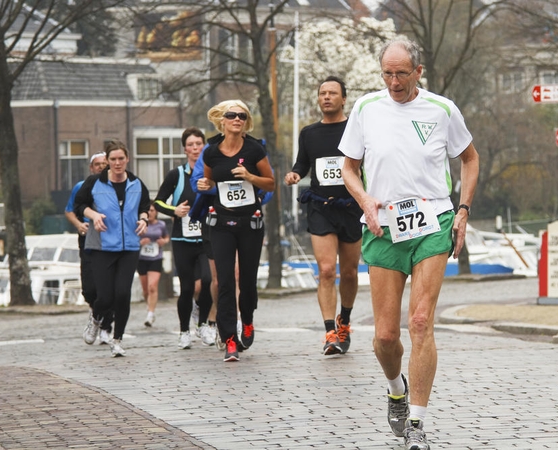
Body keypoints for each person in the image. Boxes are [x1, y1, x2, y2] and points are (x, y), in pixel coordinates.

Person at [339, 37, 479, 450]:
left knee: (419, 322)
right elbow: (349, 166)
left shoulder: (441, 109)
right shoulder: (366, 108)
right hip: (384, 226)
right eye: (387, 73)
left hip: (433, 220)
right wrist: (364, 199)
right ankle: (395, 389)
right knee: (385, 336)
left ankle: (416, 422)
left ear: (418, 72)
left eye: (402, 73)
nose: (394, 81)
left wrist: (463, 210)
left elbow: (469, 158)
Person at [284, 76, 362, 356]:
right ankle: (330, 332)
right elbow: (303, 163)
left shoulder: (356, 129)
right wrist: (295, 173)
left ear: (344, 98)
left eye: (332, 93)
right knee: (327, 270)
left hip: (351, 207)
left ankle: (345, 321)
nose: (326, 97)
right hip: (320, 207)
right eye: (322, 93)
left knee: (350, 272)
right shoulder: (309, 133)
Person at [197, 100, 275, 362]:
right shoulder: (211, 152)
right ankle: (229, 337)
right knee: (225, 281)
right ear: (223, 120)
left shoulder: (254, 149)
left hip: (249, 223)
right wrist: (203, 184)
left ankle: (248, 320)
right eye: (232, 115)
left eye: (242, 116)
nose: (237, 119)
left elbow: (271, 184)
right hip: (221, 224)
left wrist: (250, 177)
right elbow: (208, 181)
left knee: (248, 280)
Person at [75, 139, 151, 358]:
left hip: (129, 247)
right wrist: (94, 215)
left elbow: (145, 206)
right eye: (113, 159)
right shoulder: (94, 183)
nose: (117, 163)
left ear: (127, 159)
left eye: (121, 159)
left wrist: (144, 219)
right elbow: (80, 205)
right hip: (102, 246)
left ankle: (117, 339)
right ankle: (96, 318)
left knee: (122, 294)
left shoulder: (136, 183)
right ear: (107, 161)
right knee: (105, 296)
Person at [154, 127, 214, 349]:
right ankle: (184, 331)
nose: (195, 148)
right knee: (187, 288)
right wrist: (174, 211)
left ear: (204, 146)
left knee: (208, 282)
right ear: (185, 149)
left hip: (206, 238)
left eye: (199, 143)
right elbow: (157, 201)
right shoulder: (176, 175)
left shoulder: (211, 173)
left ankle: (202, 324)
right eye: (191, 144)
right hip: (182, 240)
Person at [64, 152, 113, 345]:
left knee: (109, 283)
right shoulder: (81, 187)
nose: (101, 167)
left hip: (109, 235)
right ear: (91, 168)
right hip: (88, 237)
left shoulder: (115, 186)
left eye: (104, 164)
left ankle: (106, 327)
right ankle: (95, 312)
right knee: (90, 286)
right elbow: (69, 210)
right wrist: (78, 225)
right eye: (97, 164)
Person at [137, 204, 169, 328]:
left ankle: (151, 314)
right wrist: (140, 242)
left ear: (156, 212)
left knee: (152, 287)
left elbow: (166, 237)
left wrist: (164, 241)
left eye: (152, 210)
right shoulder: (139, 223)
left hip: (156, 257)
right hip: (142, 258)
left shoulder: (161, 224)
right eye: (148, 210)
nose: (150, 212)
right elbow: (133, 238)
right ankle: (149, 306)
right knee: (145, 290)